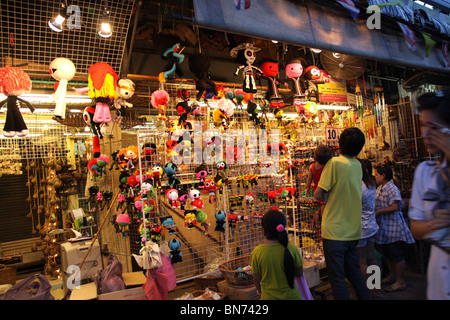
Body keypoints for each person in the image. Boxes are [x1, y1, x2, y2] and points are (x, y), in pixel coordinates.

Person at [313, 127, 371, 300]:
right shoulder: (358, 166)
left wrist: (323, 193)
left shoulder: (334, 163)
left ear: (339, 144)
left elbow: (318, 194)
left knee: (337, 279)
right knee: (354, 274)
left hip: (335, 231)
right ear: (359, 148)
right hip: (353, 231)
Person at [408, 88, 450, 300]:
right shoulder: (425, 171)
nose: (425, 134)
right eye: (423, 125)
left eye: (433, 128)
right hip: (439, 273)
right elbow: (416, 227)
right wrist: (435, 224)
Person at [374, 164, 415, 293]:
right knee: (389, 254)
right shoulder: (381, 188)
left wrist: (379, 212)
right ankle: (392, 276)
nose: (375, 177)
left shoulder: (392, 188)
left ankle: (400, 281)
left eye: (376, 175)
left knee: (397, 255)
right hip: (385, 228)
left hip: (394, 227)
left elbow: (395, 206)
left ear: (383, 175)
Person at [250, 209, 303, 300]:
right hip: (292, 296)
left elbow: (256, 279)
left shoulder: (256, 253)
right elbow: (299, 272)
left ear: (263, 230)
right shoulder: (291, 248)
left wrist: (259, 290)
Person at [357, 159, 382, 298]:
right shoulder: (372, 184)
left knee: (362, 260)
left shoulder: (359, 186)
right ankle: (376, 289)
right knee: (372, 258)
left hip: (362, 228)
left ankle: (365, 291)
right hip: (372, 225)